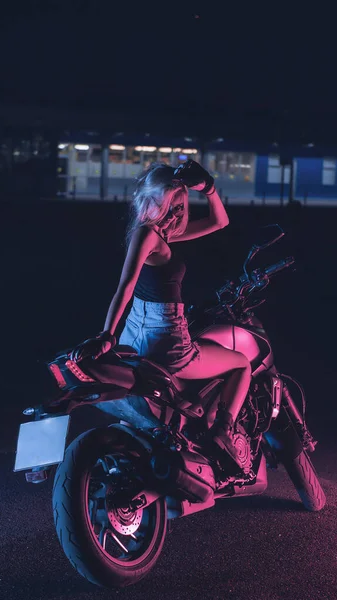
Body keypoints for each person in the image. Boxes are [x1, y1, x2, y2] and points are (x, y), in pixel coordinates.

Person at [73, 160, 252, 470]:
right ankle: (223, 431)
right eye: (171, 205)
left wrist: (207, 189)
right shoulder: (150, 235)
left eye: (181, 205)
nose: (177, 213)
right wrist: (106, 335)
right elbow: (125, 287)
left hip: (135, 336)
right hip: (165, 337)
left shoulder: (160, 234)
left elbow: (219, 222)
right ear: (151, 201)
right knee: (241, 364)